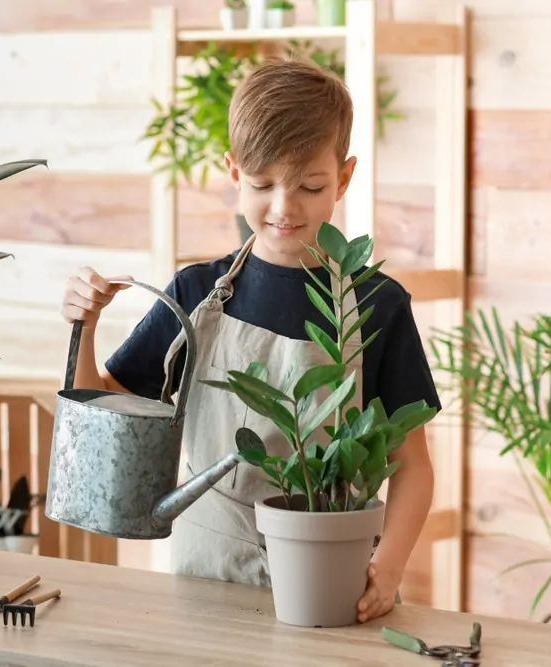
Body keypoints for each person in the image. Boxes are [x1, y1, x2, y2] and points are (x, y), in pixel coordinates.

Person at [60, 56, 440, 623]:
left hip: (337, 579)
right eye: (263, 184)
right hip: (206, 576)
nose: (285, 208)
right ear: (234, 173)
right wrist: (82, 328)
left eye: (311, 186)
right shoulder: (194, 293)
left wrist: (388, 568)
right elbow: (99, 430)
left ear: (343, 177)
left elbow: (412, 467)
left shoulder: (378, 305)